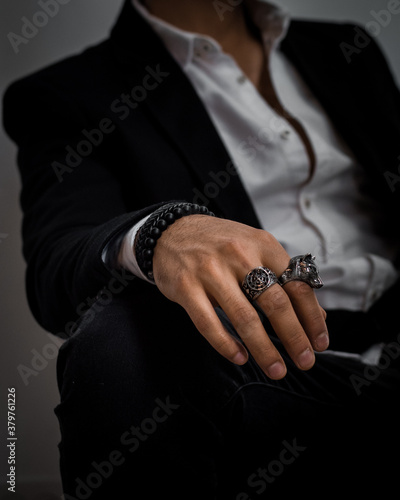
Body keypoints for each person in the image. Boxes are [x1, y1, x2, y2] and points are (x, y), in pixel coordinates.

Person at [3, 0, 400, 498]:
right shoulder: (67, 94)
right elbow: (56, 269)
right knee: (124, 343)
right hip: (272, 374)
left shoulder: (347, 47)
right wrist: (158, 234)